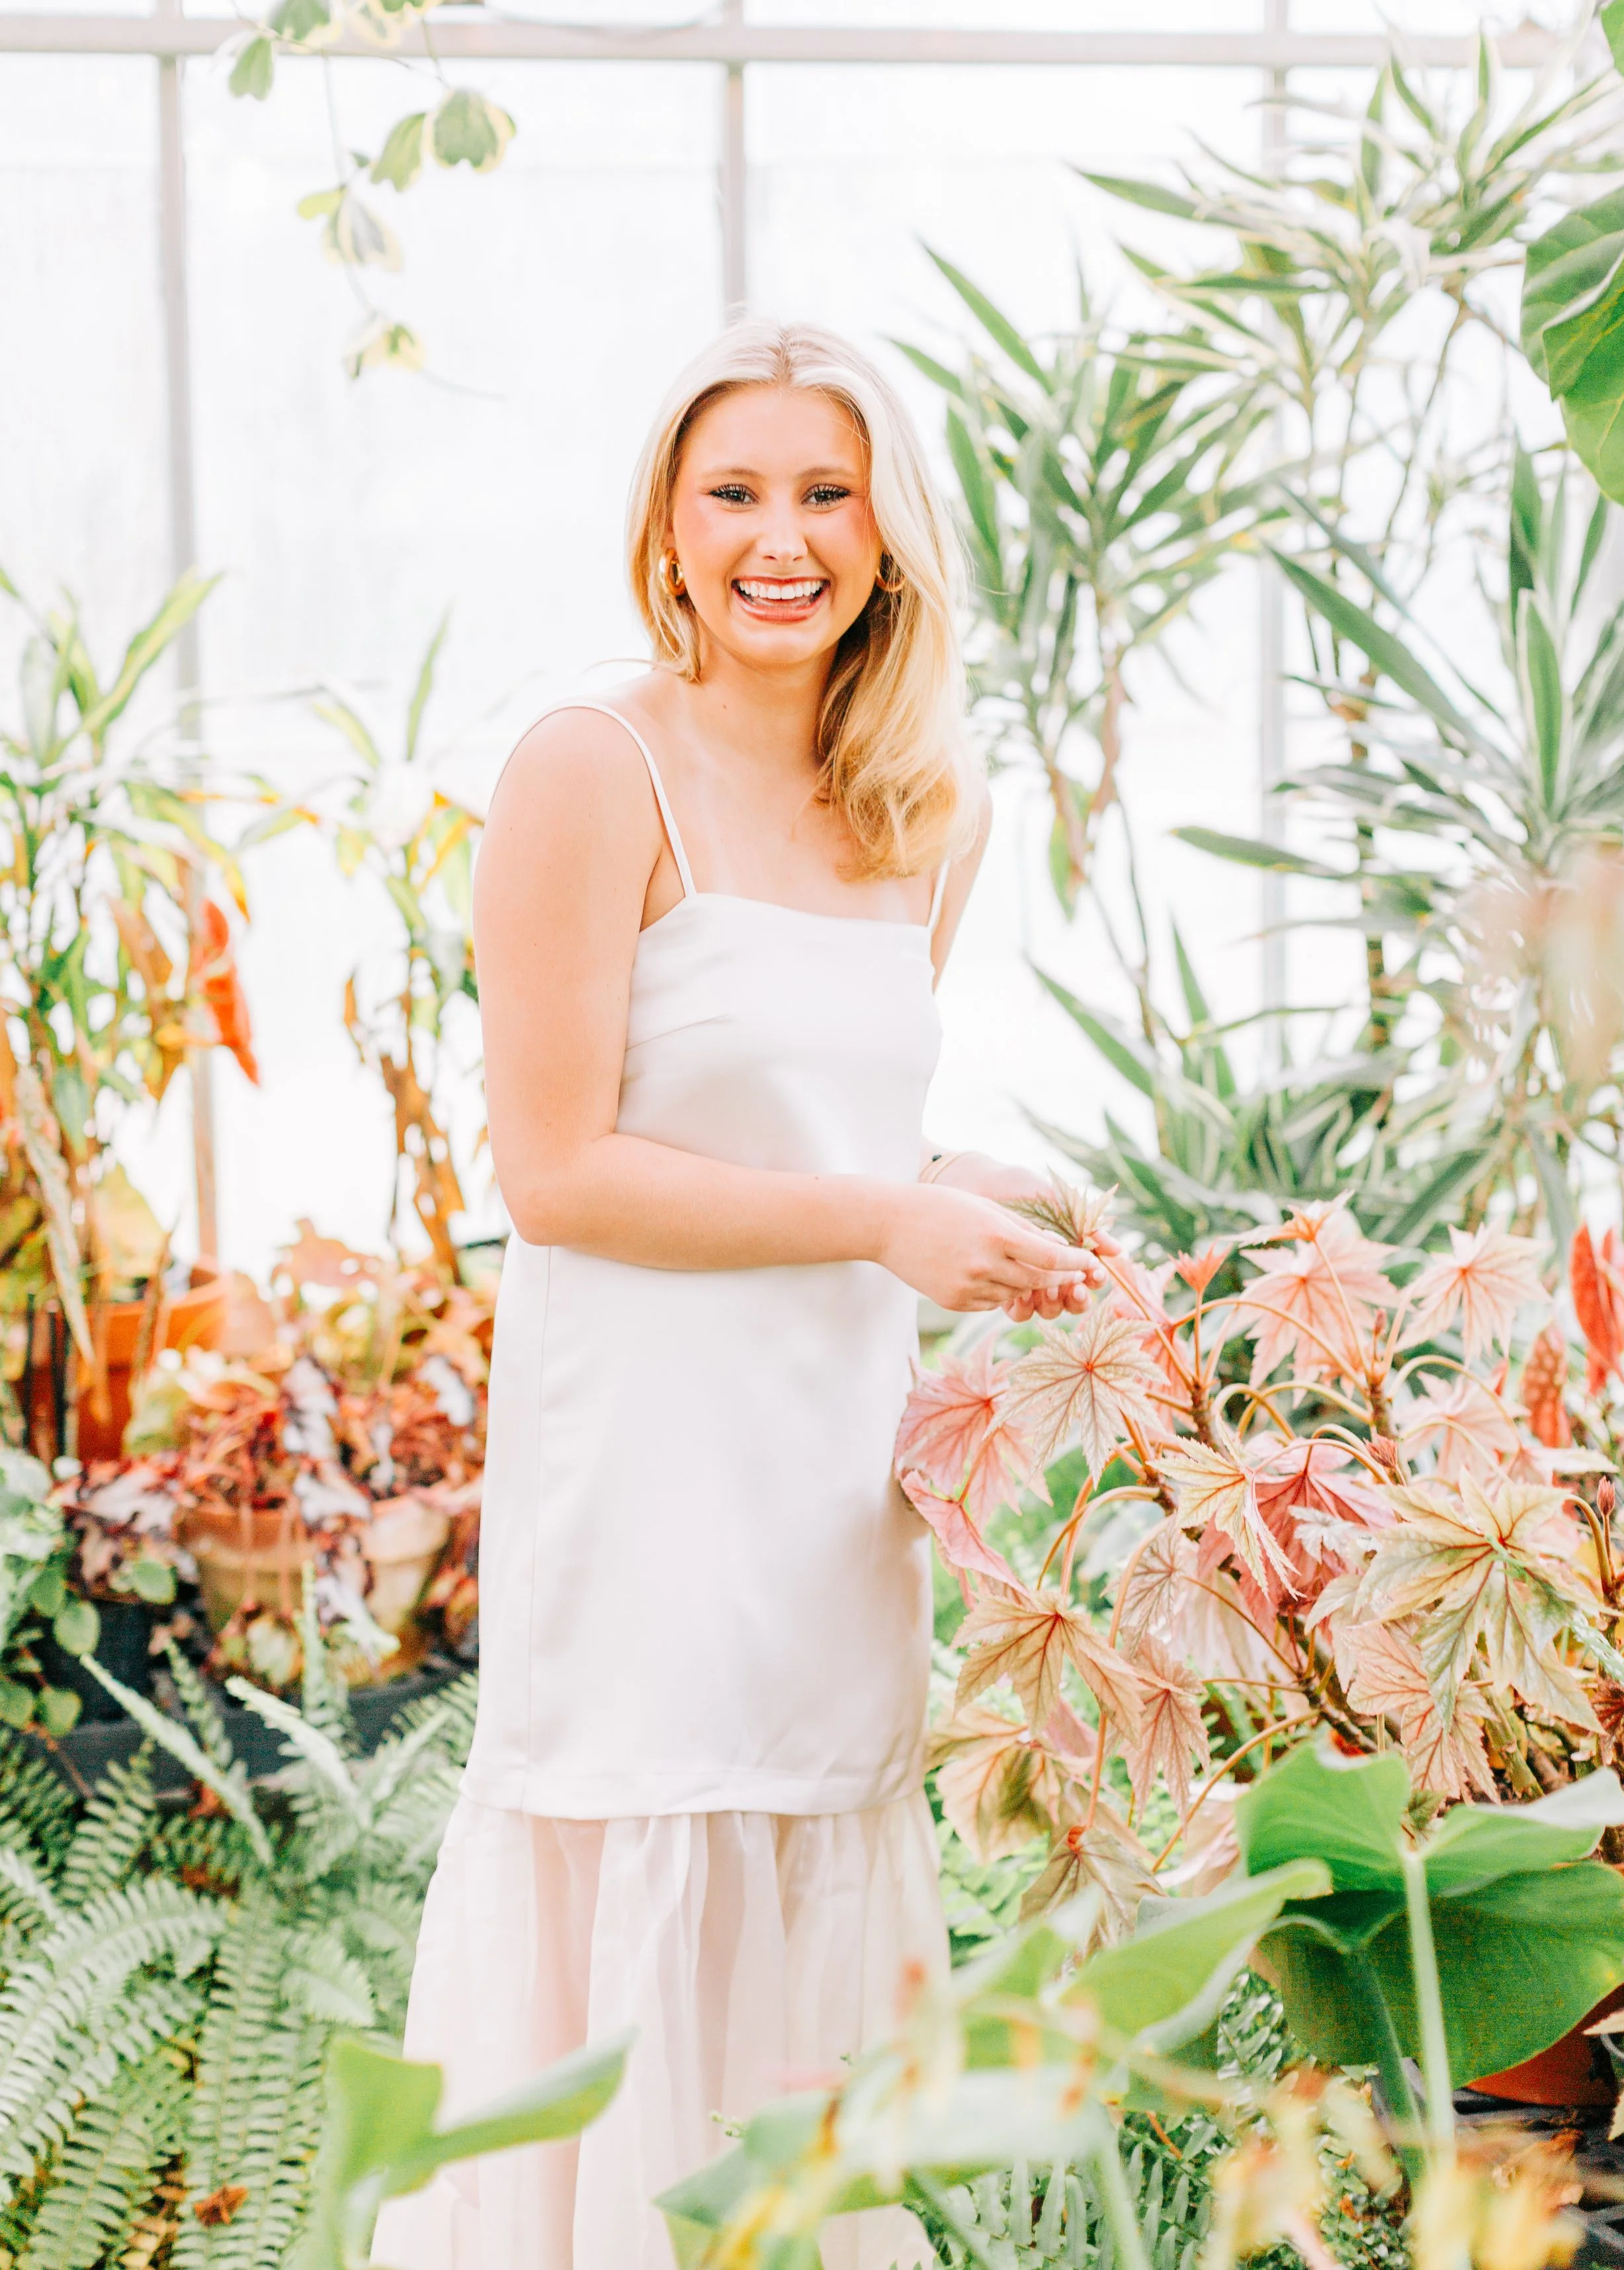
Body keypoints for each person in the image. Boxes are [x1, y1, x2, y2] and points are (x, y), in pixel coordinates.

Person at [373, 322, 1101, 2270]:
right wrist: (880, 1214)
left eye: (824, 492)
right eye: (735, 494)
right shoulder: (589, 765)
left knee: (810, 1890)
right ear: (668, 532)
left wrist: (964, 1191)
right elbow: (560, 1173)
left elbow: (825, 1129)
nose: (780, 538)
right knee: (638, 1864)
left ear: (888, 536)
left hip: (826, 1490)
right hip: (642, 1481)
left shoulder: (922, 814)